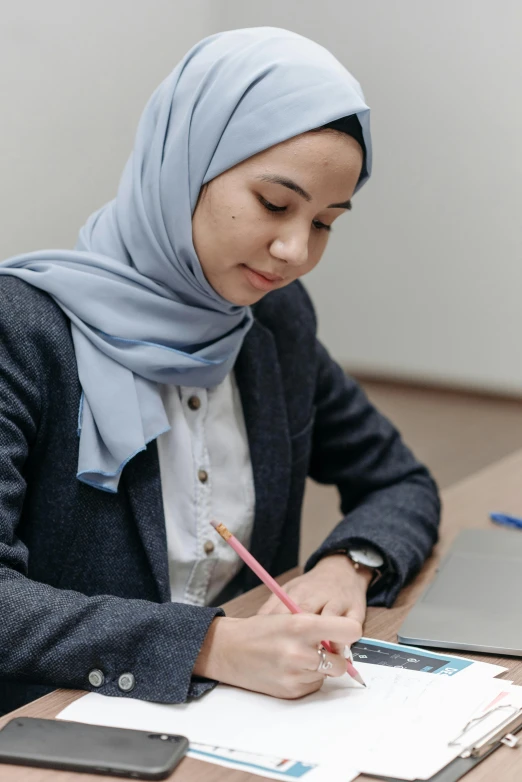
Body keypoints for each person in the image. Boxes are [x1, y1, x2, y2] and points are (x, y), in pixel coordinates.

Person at [0, 27, 440, 715]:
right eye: (274, 203)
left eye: (325, 222)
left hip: (243, 725)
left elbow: (399, 481)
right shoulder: (22, 334)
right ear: (186, 166)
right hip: (50, 732)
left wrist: (349, 564)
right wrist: (209, 645)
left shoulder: (272, 324)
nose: (295, 250)